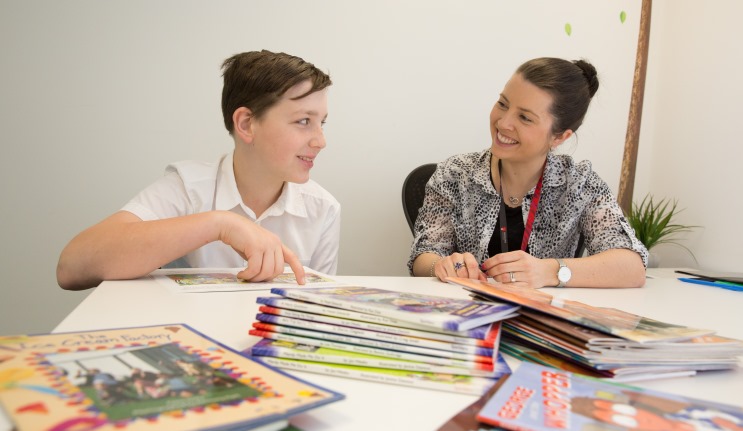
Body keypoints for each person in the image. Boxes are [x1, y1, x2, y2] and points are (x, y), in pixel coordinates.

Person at [57, 50, 340, 290]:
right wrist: (220, 224)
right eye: (304, 121)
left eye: (322, 123)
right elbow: (72, 268)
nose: (321, 141)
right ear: (246, 124)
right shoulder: (188, 189)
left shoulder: (323, 210)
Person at [408, 57, 648, 288]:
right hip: (467, 318)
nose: (503, 123)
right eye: (502, 104)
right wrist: (441, 266)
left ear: (559, 136)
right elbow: (423, 255)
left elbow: (632, 267)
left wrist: (551, 271)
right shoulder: (455, 173)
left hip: (544, 320)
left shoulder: (579, 183)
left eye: (524, 117)